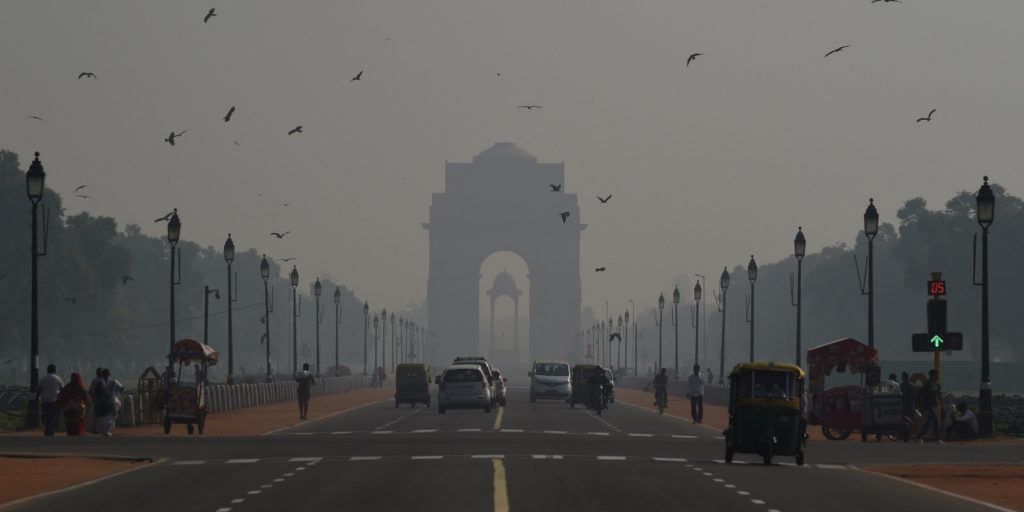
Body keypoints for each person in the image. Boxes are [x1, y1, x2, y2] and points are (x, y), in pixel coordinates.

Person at [916, 369, 943, 444]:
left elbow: (939, 395)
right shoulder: (927, 384)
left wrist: (942, 405)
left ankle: (919, 437)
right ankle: (937, 439)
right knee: (935, 421)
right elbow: (922, 395)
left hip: (933, 405)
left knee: (928, 422)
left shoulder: (937, 384)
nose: (937, 376)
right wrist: (921, 406)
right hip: (928, 405)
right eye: (936, 375)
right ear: (933, 375)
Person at [38, 364, 64, 436]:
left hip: (45, 400)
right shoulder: (58, 378)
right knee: (52, 416)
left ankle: (48, 430)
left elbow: (39, 389)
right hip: (54, 400)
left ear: (47, 370)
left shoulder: (43, 378)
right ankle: (50, 430)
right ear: (54, 370)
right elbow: (62, 389)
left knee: (46, 416)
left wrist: (37, 397)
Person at [99, 368, 124, 436]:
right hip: (113, 401)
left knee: (107, 416)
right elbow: (122, 388)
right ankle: (107, 431)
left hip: (105, 401)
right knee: (112, 416)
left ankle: (105, 430)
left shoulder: (100, 382)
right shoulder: (114, 381)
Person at [87, 368, 104, 434]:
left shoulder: (103, 380)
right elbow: (91, 391)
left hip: (102, 400)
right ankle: (94, 429)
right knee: (95, 416)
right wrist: (94, 398)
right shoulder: (95, 380)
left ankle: (101, 429)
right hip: (97, 399)